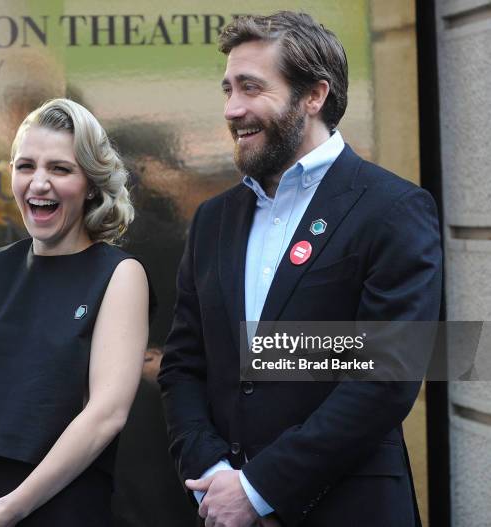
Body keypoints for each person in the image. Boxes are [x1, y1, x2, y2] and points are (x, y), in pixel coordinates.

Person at [158, 11, 442, 527]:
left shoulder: (393, 209)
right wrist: (214, 474)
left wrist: (258, 490)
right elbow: (183, 366)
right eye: (227, 89)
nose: (232, 108)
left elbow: (384, 379)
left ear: (313, 95)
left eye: (250, 87)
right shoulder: (212, 220)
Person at [0, 98, 151, 526]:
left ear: (91, 183)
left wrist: (14, 506)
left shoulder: (121, 275)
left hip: (65, 507)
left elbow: (106, 414)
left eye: (59, 169)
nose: (39, 183)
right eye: (25, 166)